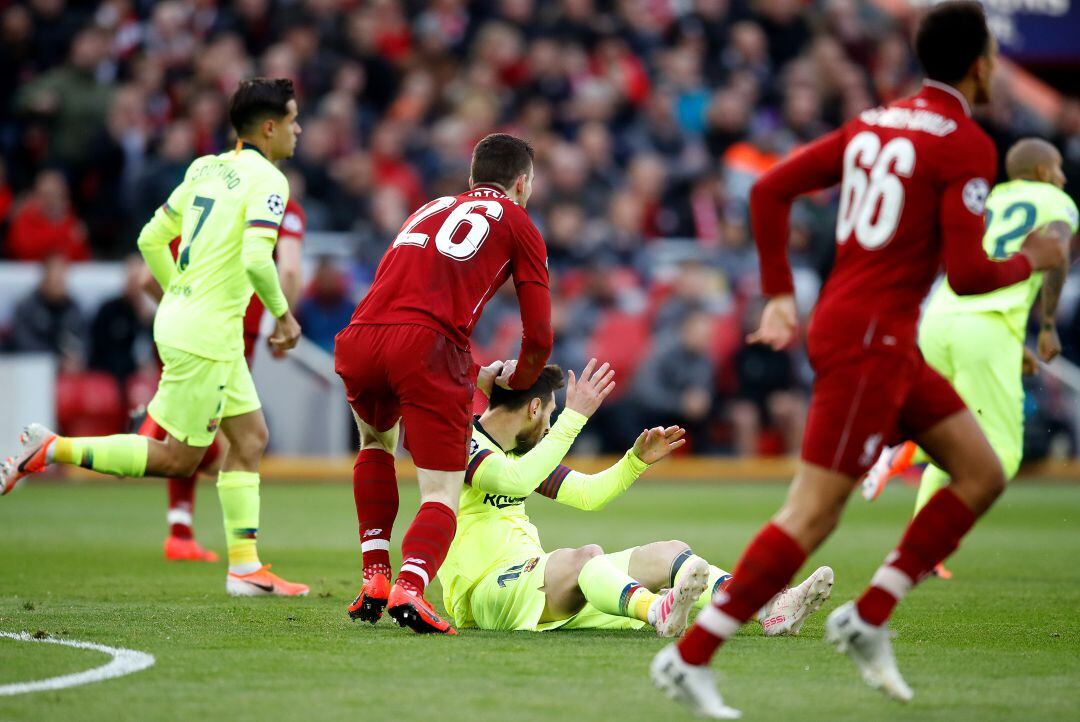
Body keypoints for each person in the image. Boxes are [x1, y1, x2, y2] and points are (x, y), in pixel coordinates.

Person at [649, 4, 1068, 717]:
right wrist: (1031, 260)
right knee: (812, 514)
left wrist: (781, 293)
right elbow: (968, 275)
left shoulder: (874, 122)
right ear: (979, 63)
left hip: (883, 337)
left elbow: (770, 187)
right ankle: (688, 659)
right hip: (869, 341)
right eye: (994, 56)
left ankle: (868, 615)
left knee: (980, 472)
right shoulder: (964, 143)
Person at [2, 78, 309, 598]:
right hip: (207, 332)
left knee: (250, 438)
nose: (300, 130)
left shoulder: (204, 167)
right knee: (176, 458)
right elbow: (259, 259)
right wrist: (283, 316)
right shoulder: (271, 182)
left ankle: (244, 569)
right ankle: (51, 447)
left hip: (197, 324)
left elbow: (149, 239)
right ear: (270, 126)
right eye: (295, 119)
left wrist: (180, 292)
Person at [435, 360, 834, 637]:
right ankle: (655, 610)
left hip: (538, 584)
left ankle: (766, 608)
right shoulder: (462, 445)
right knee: (585, 557)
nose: (550, 426)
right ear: (534, 407)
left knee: (671, 552)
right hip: (484, 595)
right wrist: (575, 419)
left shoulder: (524, 454)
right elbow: (514, 480)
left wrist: (634, 462)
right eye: (551, 414)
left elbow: (587, 495)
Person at [335, 133, 553, 635]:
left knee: (374, 444)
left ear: (473, 177)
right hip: (427, 348)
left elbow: (407, 297)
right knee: (440, 493)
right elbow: (539, 335)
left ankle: (375, 575)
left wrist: (468, 369)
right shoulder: (520, 222)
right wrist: (515, 384)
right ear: (522, 183)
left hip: (362, 336)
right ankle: (411, 586)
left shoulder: (429, 208)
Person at [859, 138, 1078, 577]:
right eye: (1056, 168)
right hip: (987, 322)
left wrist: (1010, 343)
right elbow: (1055, 257)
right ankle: (907, 451)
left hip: (940, 316)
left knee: (958, 426)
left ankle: (925, 549)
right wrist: (1048, 325)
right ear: (1040, 172)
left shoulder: (991, 198)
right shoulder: (1056, 200)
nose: (1063, 176)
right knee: (1000, 457)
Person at [138, 196, 306, 563]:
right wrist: (284, 319)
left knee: (210, 435)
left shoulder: (206, 196)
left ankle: (182, 530)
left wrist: (185, 305)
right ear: (269, 134)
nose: (295, 133)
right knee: (242, 440)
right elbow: (290, 271)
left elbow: (145, 279)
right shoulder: (277, 202)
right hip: (228, 336)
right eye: (291, 131)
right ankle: (59, 447)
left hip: (179, 332)